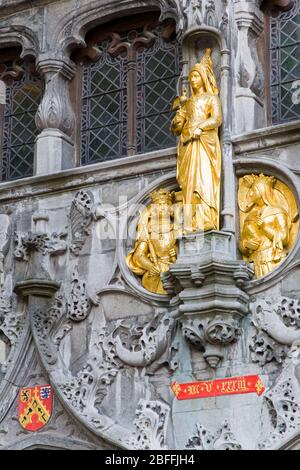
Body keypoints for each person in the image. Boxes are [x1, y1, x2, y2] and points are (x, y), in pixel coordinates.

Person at [171, 48, 222, 232]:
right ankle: (191, 220)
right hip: (188, 145)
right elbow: (176, 128)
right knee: (189, 183)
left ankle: (206, 217)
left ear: (203, 78)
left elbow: (217, 119)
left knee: (203, 180)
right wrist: (178, 118)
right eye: (191, 77)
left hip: (204, 143)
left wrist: (200, 128)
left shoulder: (211, 98)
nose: (192, 80)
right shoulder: (189, 103)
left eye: (195, 76)